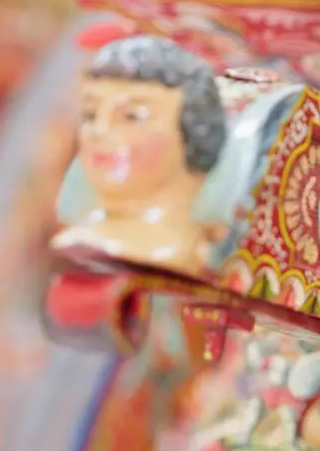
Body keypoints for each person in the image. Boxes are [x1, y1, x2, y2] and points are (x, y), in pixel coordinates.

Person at [51, 35, 228, 275]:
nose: (99, 131)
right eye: (91, 114)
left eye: (131, 116)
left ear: (193, 128)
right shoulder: (80, 238)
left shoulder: (186, 250)